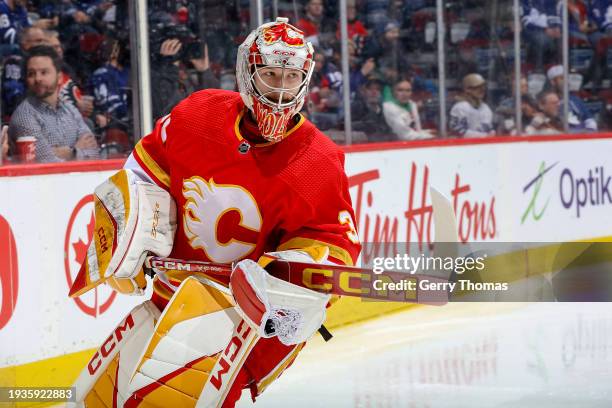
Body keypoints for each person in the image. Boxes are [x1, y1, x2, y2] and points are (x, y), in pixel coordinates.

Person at [71, 18, 361, 407]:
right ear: (247, 71)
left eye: (290, 77)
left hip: (244, 320)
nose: (278, 89)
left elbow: (332, 244)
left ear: (304, 80)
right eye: (270, 74)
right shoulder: (199, 115)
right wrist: (130, 242)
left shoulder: (319, 161)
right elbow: (143, 172)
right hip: (170, 295)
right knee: (95, 398)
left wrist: (282, 282)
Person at [8, 46, 98, 162]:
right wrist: (75, 151)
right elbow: (45, 163)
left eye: (44, 72)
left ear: (60, 78)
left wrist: (63, 153)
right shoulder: (25, 115)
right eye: (31, 74)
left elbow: (94, 154)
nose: (38, 78)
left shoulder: (70, 109)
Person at [547, 64, 598, 131]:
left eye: (566, 78)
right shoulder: (549, 101)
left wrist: (590, 131)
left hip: (580, 135)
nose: (565, 81)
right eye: (561, 78)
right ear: (553, 82)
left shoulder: (575, 99)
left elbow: (589, 120)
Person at [449, 73, 496, 138]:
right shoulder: (460, 107)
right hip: (464, 146)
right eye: (477, 87)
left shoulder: (486, 108)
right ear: (467, 89)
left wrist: (491, 132)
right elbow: (457, 131)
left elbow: (488, 128)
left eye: (483, 86)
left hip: (483, 145)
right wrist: (483, 136)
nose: (482, 89)